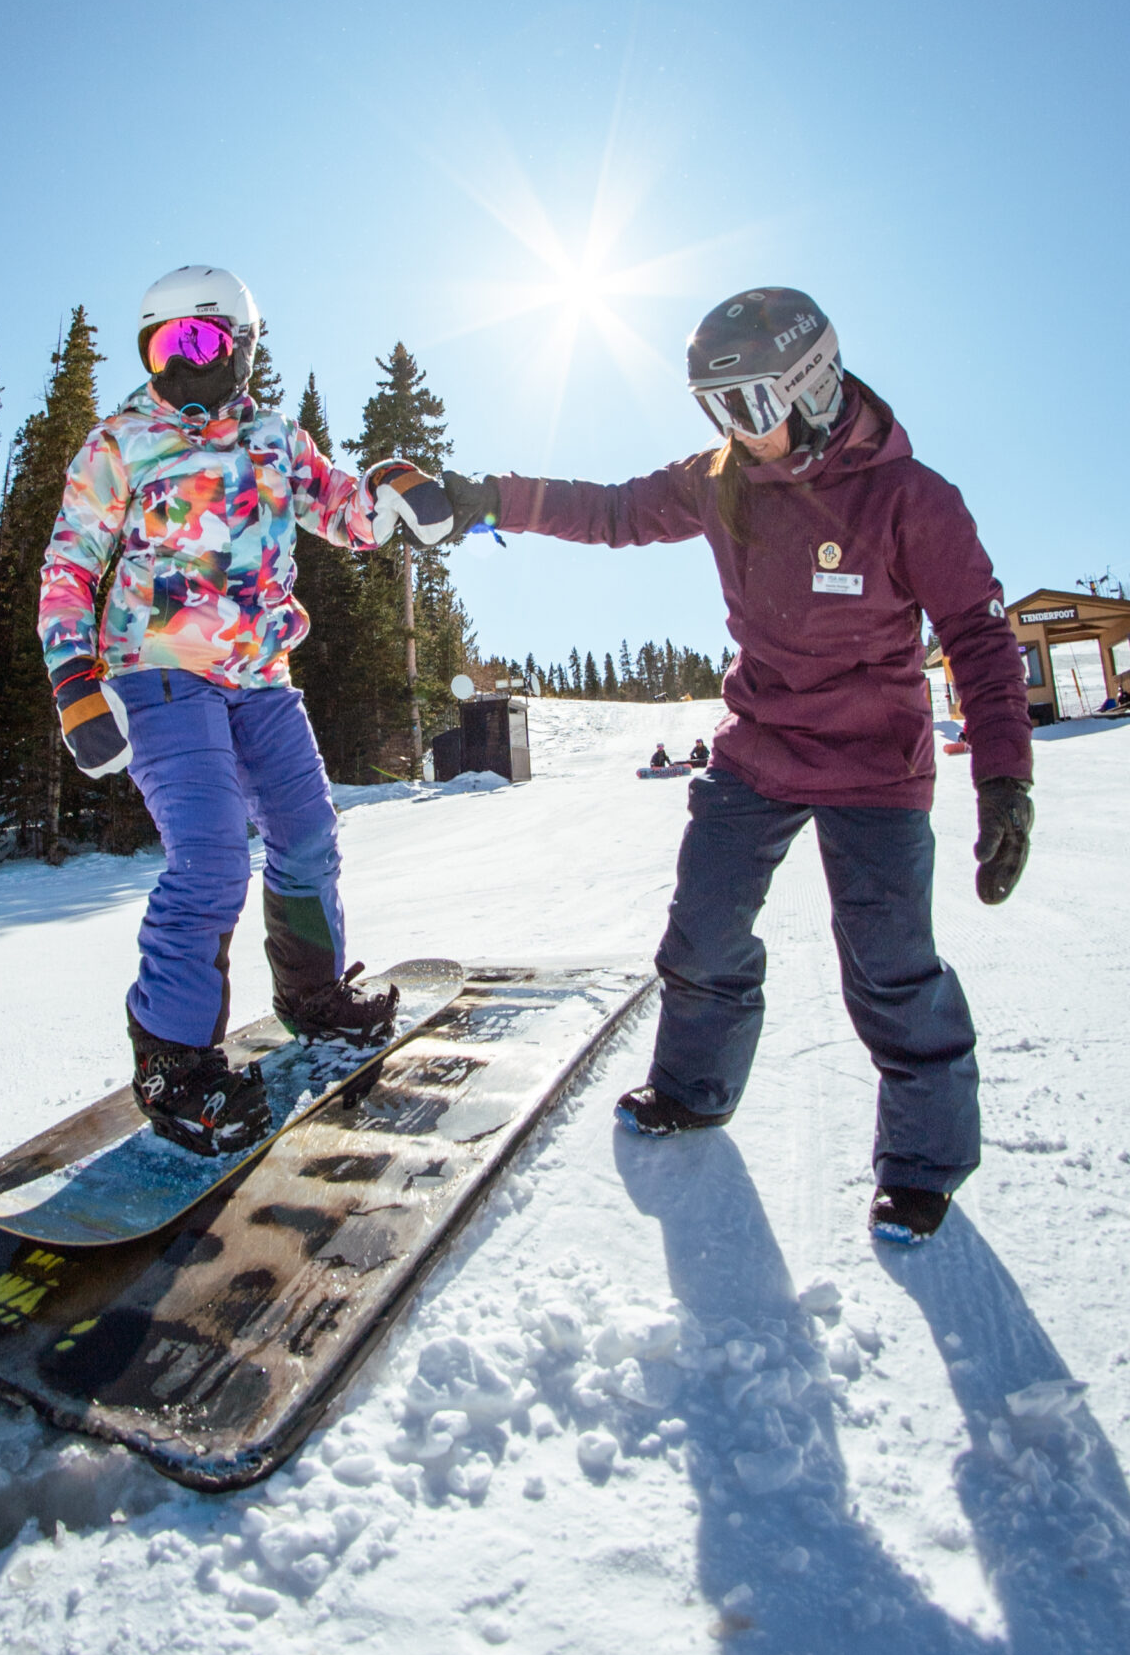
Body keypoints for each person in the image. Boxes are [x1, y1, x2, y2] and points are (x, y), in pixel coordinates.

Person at [442, 287, 1034, 1244]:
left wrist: (1003, 776)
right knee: (705, 932)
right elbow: (614, 511)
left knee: (889, 968)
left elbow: (977, 633)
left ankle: (923, 1166)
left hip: (877, 765)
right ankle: (693, 1089)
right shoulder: (722, 478)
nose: (734, 432)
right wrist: (489, 498)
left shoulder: (909, 499)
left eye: (749, 406)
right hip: (759, 747)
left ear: (813, 385)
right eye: (714, 409)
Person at [39, 265, 451, 1154]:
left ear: (244, 346)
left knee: (308, 839)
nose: (181, 363)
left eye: (202, 341)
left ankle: (312, 995)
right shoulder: (122, 440)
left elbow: (341, 511)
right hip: (157, 672)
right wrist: (75, 681)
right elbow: (69, 566)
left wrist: (390, 491)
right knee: (213, 858)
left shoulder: (276, 437)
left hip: (262, 677)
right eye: (163, 345)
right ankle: (173, 1059)